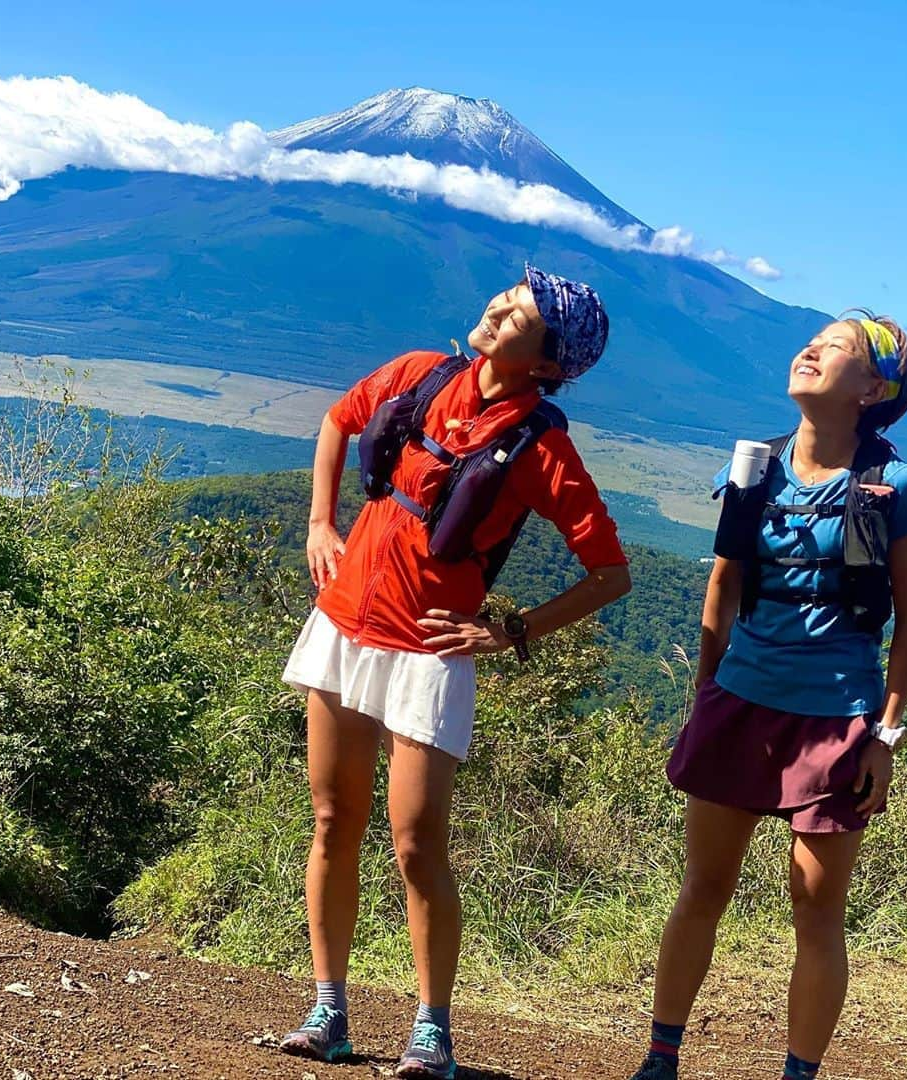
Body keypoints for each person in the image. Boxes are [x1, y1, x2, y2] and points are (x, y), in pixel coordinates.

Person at [279, 264, 632, 1078]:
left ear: (547, 362)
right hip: (343, 623)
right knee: (333, 820)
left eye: (522, 313)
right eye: (510, 295)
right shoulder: (418, 374)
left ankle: (432, 1029)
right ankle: (329, 1010)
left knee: (415, 843)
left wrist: (512, 631)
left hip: (428, 654)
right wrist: (320, 522)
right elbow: (339, 420)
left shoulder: (543, 447)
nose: (501, 306)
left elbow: (611, 572)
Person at [626, 313, 907, 1080]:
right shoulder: (755, 466)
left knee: (816, 910)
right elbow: (723, 584)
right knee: (703, 886)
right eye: (815, 338)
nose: (811, 348)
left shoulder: (895, 487)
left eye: (836, 347)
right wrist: (706, 692)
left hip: (839, 722)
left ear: (872, 388)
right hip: (741, 701)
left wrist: (884, 739)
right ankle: (660, 1060)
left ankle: (798, 1073)